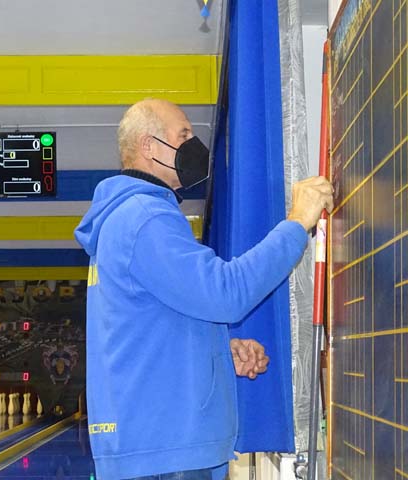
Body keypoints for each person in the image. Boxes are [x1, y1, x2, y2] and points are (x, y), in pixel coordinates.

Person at [74, 99, 333, 480]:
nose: (194, 146)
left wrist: (216, 351)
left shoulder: (128, 219)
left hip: (157, 445)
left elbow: (152, 324)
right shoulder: (145, 218)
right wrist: (297, 223)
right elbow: (226, 294)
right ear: (149, 146)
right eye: (184, 135)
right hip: (167, 452)